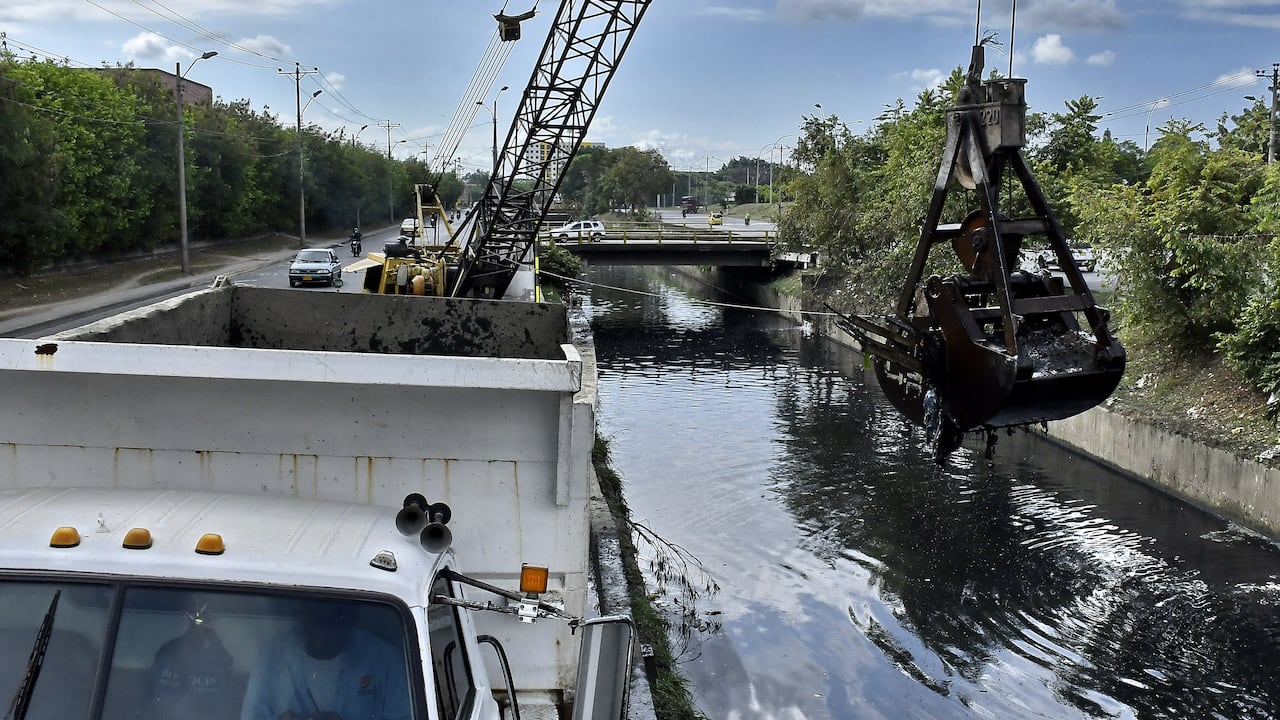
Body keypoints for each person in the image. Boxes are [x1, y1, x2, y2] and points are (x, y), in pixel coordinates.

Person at [240, 601, 411, 720]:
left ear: (351, 621)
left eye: (335, 621)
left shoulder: (383, 659)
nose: (326, 633)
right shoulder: (272, 659)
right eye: (320, 620)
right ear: (303, 617)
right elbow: (251, 716)